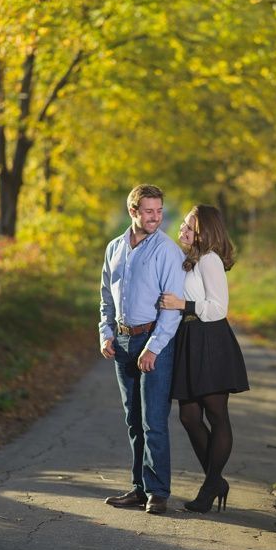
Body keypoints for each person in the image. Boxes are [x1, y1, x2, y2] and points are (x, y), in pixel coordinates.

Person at [99, 184, 186, 514]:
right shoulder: (114, 248)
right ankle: (139, 488)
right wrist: (106, 333)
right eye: (149, 211)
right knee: (133, 420)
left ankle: (158, 492)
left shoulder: (167, 251)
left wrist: (153, 348)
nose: (156, 217)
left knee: (154, 421)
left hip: (154, 342)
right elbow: (106, 296)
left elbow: (172, 308)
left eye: (159, 211)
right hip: (122, 342)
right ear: (133, 211)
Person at [157, 205, 248, 513]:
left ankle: (210, 485)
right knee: (189, 417)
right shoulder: (190, 259)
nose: (182, 230)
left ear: (204, 232)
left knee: (217, 415)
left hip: (210, 340)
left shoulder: (209, 259)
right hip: (189, 339)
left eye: (189, 227)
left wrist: (182, 304)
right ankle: (216, 481)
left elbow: (218, 308)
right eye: (183, 224)